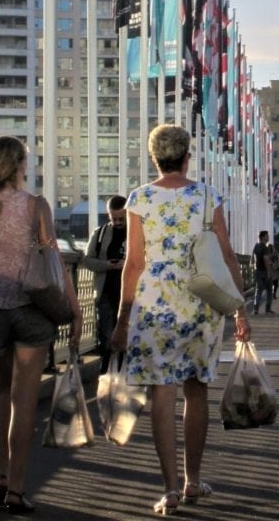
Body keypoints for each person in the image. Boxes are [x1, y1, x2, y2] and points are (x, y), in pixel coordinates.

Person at [110, 124, 251, 516]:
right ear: (188, 156)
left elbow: (134, 264)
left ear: (154, 158)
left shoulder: (139, 199)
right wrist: (239, 309)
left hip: (154, 305)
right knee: (196, 391)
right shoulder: (207, 196)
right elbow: (226, 256)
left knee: (162, 391)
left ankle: (169, 488)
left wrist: (123, 319)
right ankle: (192, 480)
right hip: (200, 304)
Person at [0, 135, 82, 515]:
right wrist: (73, 311)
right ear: (16, 165)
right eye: (25, 161)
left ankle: (1, 478)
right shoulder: (35, 205)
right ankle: (17, 490)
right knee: (25, 402)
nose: (28, 167)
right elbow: (54, 263)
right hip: (31, 305)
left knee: (0, 393)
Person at [81, 194, 127, 374]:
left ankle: (124, 374)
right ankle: (106, 372)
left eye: (121, 218)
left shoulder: (138, 233)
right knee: (106, 335)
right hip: (105, 292)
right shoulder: (99, 234)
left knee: (128, 337)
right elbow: (87, 260)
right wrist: (107, 265)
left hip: (130, 296)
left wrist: (127, 264)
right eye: (113, 218)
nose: (117, 222)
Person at [251, 230, 274, 315]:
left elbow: (252, 258)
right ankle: (267, 309)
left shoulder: (256, 246)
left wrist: (254, 267)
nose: (268, 237)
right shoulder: (264, 247)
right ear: (263, 237)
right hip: (264, 271)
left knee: (258, 290)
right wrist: (268, 271)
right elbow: (266, 259)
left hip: (257, 271)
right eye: (267, 236)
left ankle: (255, 309)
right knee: (269, 291)